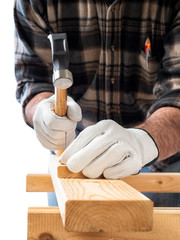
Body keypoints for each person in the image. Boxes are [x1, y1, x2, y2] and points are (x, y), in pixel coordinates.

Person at [14, 0, 180, 206]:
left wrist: (143, 143)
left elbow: (178, 92)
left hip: (161, 159)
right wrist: (41, 108)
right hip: (75, 162)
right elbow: (32, 78)